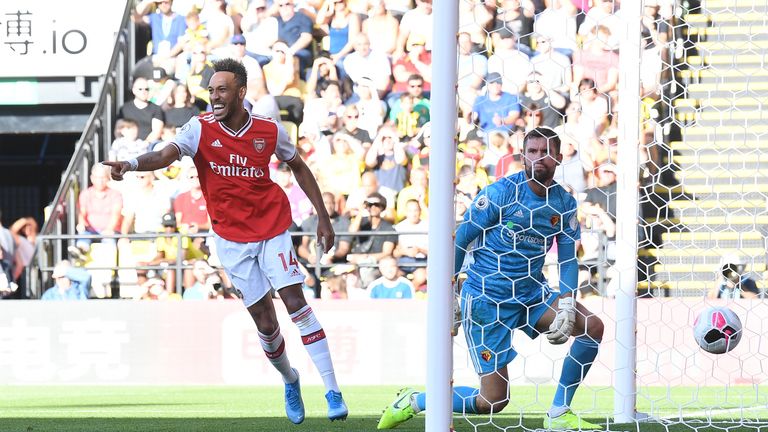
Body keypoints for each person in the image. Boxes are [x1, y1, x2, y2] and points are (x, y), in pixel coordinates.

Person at [103, 58, 348, 424]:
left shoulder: (268, 130)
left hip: (272, 227)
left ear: (241, 92)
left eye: (222, 90)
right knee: (266, 323)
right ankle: (290, 379)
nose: (215, 96)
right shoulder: (199, 129)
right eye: (212, 90)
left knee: (295, 299)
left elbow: (298, 166)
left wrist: (324, 217)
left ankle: (332, 390)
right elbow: (166, 154)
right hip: (230, 238)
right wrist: (133, 164)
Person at [378, 128, 604, 430]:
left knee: (592, 327)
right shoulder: (500, 193)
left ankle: (559, 413)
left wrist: (567, 301)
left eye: (545, 151)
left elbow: (567, 258)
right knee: (494, 401)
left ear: (559, 158)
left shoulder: (563, 203)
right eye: (532, 151)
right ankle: (416, 400)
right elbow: (460, 240)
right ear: (522, 156)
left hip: (531, 294)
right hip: (488, 298)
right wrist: (450, 293)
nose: (539, 157)